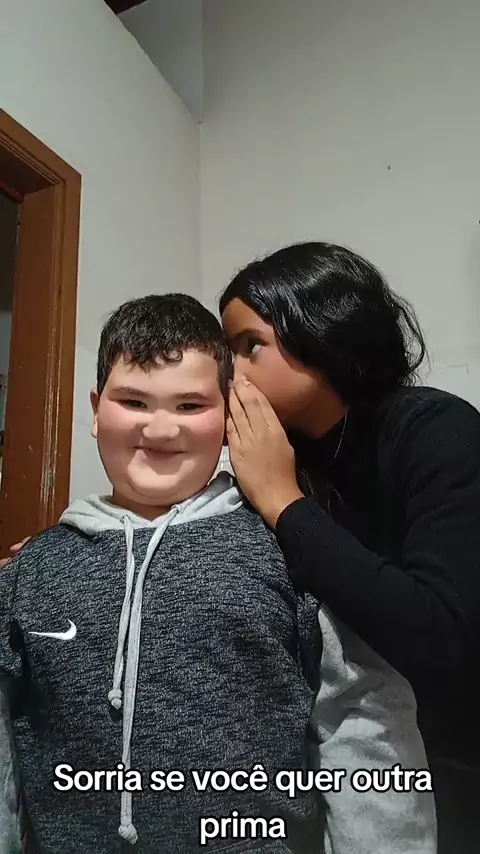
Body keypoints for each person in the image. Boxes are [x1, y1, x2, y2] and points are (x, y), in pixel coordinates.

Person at [0, 294, 436, 854]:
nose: (161, 429)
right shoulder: (32, 570)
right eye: (133, 400)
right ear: (96, 409)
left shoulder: (290, 552)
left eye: (190, 405)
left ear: (228, 417)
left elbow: (362, 716)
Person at [219, 240, 480, 854]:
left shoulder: (435, 429)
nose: (230, 372)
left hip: (452, 763)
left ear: (321, 328)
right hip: (336, 761)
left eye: (249, 345)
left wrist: (283, 502)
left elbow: (445, 636)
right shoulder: (285, 458)